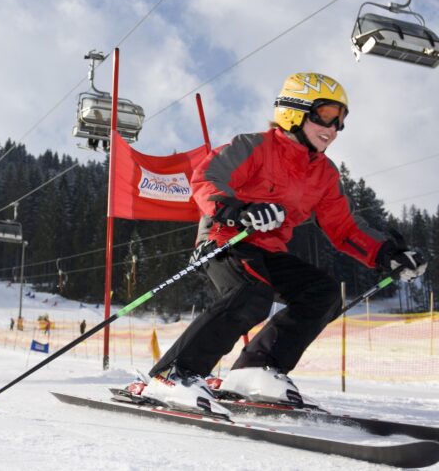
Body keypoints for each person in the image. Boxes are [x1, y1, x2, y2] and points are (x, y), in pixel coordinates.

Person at [137, 73, 426, 417]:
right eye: (327, 114)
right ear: (294, 111)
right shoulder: (254, 146)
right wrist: (239, 211)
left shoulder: (324, 174)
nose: (334, 128)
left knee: (323, 292)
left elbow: (343, 226)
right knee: (251, 294)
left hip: (270, 250)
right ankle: (174, 375)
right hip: (226, 237)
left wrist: (386, 254)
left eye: (341, 120)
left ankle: (255, 369)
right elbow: (206, 179)